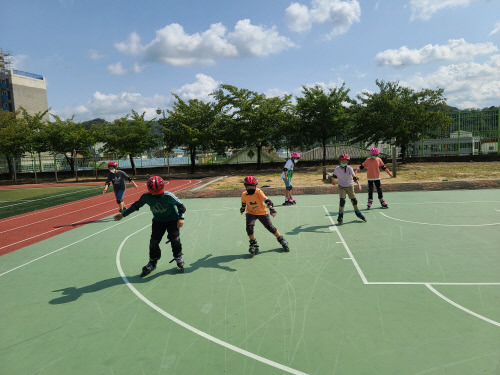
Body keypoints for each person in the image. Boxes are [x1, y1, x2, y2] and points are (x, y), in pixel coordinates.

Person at [114, 176, 186, 276]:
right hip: (158, 222)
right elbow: (136, 205)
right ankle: (152, 262)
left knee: (175, 239)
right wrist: (123, 214)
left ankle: (178, 257)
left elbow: (181, 206)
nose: (157, 196)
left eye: (159, 193)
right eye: (154, 194)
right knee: (153, 242)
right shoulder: (146, 197)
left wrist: (181, 218)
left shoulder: (168, 196)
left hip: (172, 220)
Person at [240, 176, 290, 257]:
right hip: (250, 212)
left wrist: (271, 209)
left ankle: (281, 240)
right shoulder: (243, 195)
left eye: (252, 186)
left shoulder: (259, 192)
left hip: (262, 212)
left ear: (255, 186)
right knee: (249, 227)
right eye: (249, 187)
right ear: (245, 186)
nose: (251, 188)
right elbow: (244, 203)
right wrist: (242, 209)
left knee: (270, 227)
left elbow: (267, 200)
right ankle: (253, 244)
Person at [330, 154, 366, 224]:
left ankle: (357, 212)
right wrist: (333, 181)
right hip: (341, 186)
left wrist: (359, 185)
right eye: (343, 161)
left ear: (347, 162)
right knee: (342, 201)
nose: (344, 163)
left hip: (350, 186)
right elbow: (334, 176)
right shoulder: (337, 168)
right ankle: (340, 215)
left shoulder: (349, 168)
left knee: (354, 200)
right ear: (340, 161)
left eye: (346, 161)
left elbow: (354, 177)